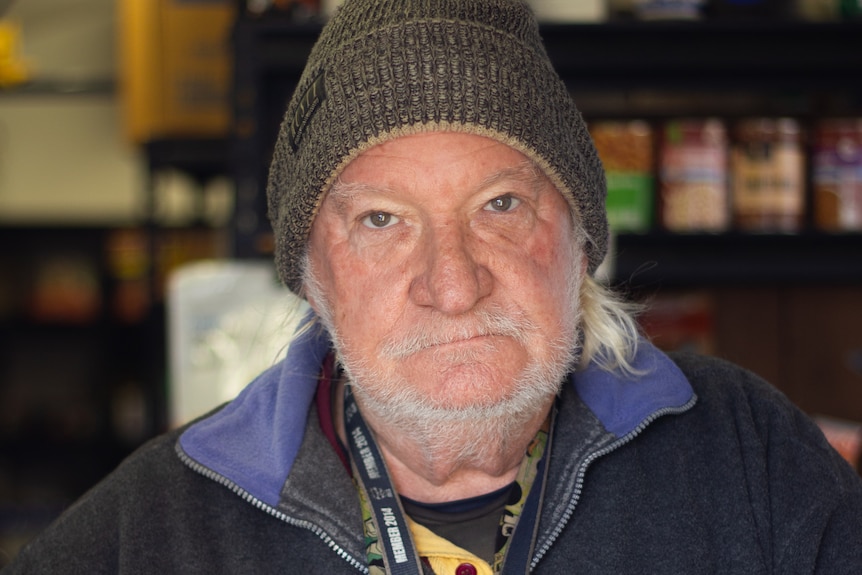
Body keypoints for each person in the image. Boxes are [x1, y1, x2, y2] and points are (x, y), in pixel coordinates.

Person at [4, 0, 861, 573]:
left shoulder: (750, 457)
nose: (453, 284)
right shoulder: (158, 529)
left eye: (500, 205)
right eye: (381, 219)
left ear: (581, 239)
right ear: (312, 274)